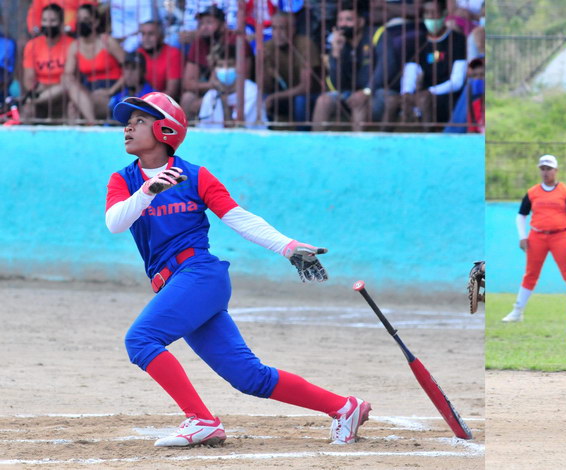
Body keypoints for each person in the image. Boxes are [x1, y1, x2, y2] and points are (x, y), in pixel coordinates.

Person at [105, 91, 371, 447]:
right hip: (177, 286)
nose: (128, 127)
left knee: (140, 340)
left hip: (200, 276)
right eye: (128, 121)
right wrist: (148, 191)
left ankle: (201, 420)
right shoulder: (123, 180)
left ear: (166, 130)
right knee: (249, 377)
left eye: (139, 121)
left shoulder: (195, 176)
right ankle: (345, 407)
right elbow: (115, 223)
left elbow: (239, 219)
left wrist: (287, 246)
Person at [504, 155, 566, 322]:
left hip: (561, 236)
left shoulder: (565, 191)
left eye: (549, 168)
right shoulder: (533, 192)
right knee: (530, 274)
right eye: (542, 168)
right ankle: (517, 311)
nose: (545, 172)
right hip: (536, 236)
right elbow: (521, 216)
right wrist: (522, 237)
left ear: (556, 170)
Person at [398, 0, 466, 130]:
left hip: (446, 95)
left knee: (425, 100)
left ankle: (428, 136)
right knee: (394, 101)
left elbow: (457, 82)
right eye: (427, 13)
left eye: (434, 13)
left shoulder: (457, 40)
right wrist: (407, 92)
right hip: (422, 92)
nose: (430, 17)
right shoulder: (419, 42)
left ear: (444, 14)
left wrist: (431, 92)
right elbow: (411, 70)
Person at [311, 0, 372, 131]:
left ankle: (359, 149)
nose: (343, 24)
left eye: (349, 19)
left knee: (359, 103)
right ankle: (315, 147)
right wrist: (336, 53)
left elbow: (385, 70)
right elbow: (336, 84)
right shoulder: (339, 42)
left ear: (361, 22)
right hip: (347, 93)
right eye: (340, 20)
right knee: (323, 100)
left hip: (373, 93)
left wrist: (366, 91)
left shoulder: (375, 37)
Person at [62, 4, 125, 123]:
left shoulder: (107, 41)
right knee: (71, 100)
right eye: (79, 19)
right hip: (89, 90)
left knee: (75, 107)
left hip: (112, 91)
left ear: (95, 22)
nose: (81, 23)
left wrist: (111, 90)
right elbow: (68, 75)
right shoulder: (75, 46)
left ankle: (92, 128)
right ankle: (93, 125)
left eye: (86, 19)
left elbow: (129, 69)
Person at [180, 6, 241, 121]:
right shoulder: (199, 42)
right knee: (187, 98)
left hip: (234, 90)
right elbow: (188, 83)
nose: (204, 27)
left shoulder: (234, 41)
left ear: (223, 25)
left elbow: (243, 78)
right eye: (201, 23)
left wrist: (209, 96)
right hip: (209, 90)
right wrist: (211, 86)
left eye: (209, 23)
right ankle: (189, 135)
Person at [262, 11, 322, 127]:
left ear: (293, 29)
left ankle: (302, 138)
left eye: (282, 29)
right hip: (284, 95)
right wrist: (262, 64)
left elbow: (306, 87)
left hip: (310, 96)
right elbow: (265, 87)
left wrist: (275, 96)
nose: (277, 33)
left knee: (300, 100)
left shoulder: (305, 44)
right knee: (260, 99)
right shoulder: (268, 46)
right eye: (274, 29)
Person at [21, 3, 74, 121]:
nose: (48, 24)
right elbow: (29, 81)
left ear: (61, 23)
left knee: (68, 87)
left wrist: (46, 87)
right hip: (40, 92)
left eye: (52, 20)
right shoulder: (32, 45)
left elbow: (68, 79)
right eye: (44, 20)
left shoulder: (71, 44)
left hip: (63, 96)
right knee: (28, 110)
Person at [197, 43, 266, 128]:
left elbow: (237, 130)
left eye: (229, 65)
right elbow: (204, 131)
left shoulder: (252, 92)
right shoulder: (211, 95)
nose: (225, 70)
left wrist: (223, 98)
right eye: (220, 66)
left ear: (239, 66)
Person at [136, 20, 182, 98]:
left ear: (161, 37)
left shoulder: (173, 53)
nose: (146, 38)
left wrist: (148, 102)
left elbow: (171, 92)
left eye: (151, 34)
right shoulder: (139, 53)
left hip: (161, 102)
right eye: (143, 34)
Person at [108, 51, 154, 118]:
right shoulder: (117, 97)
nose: (129, 73)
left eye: (134, 68)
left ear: (143, 71)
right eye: (126, 68)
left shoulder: (152, 97)